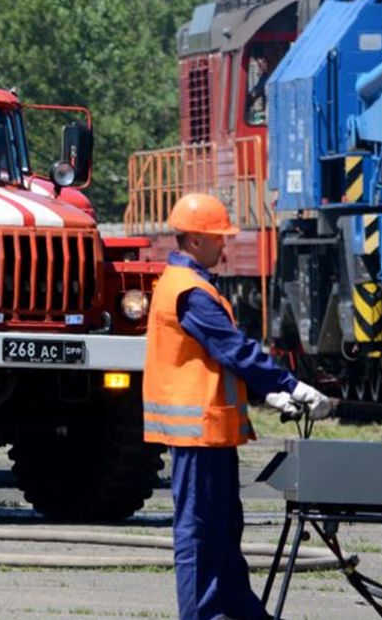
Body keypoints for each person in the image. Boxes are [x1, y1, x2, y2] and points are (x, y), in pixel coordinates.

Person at [143, 192, 333, 620]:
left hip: (212, 431)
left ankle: (236, 608)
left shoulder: (190, 285)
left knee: (224, 528)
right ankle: (204, 614)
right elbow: (233, 348)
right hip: (197, 433)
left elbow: (215, 358)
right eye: (217, 238)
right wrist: (289, 383)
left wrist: (264, 393)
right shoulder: (190, 291)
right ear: (194, 240)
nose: (224, 246)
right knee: (200, 531)